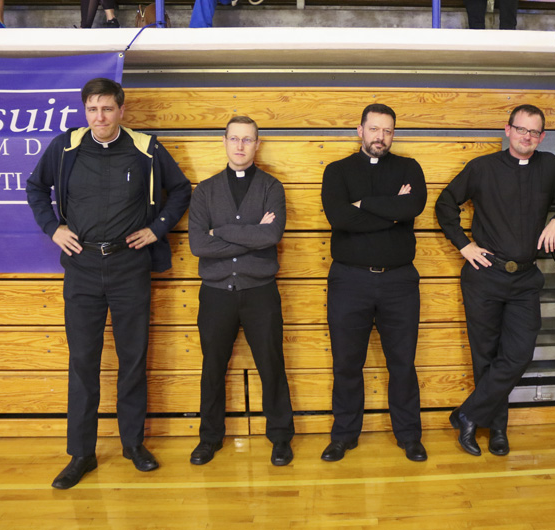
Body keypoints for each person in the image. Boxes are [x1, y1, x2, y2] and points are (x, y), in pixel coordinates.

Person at [26, 78, 191, 489]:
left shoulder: (145, 148)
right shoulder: (65, 147)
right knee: (83, 362)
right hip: (81, 267)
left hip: (129, 265)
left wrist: (157, 229)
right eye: (92, 109)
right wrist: (52, 228)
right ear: (85, 110)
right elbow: (35, 188)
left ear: (121, 110)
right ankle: (81, 454)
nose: (99, 117)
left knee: (133, 359)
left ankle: (133, 444)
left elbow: (180, 190)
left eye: (106, 109)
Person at [436, 104, 555, 456]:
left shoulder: (549, 167)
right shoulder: (482, 167)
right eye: (521, 129)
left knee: (518, 355)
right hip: (484, 276)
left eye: (534, 132)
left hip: (525, 279)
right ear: (508, 130)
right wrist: (464, 245)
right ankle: (497, 430)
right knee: (485, 356)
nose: (526, 137)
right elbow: (445, 204)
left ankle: (468, 414)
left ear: (542, 137)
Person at [320, 103, 428, 463]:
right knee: (346, 363)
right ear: (360, 131)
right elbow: (340, 218)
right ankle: (344, 435)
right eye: (374, 129)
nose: (380, 136)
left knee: (403, 363)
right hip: (349, 281)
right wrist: (391, 211)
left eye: (387, 130)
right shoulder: (337, 171)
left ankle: (409, 436)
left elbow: (412, 207)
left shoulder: (409, 168)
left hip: (399, 282)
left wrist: (363, 204)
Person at [187, 116, 295, 467]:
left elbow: (271, 235)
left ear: (257, 144)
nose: (240, 145)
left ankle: (280, 437)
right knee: (212, 368)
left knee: (271, 365)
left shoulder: (271, 187)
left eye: (247, 139)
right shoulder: (205, 190)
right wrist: (251, 233)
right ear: (224, 141)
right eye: (234, 138)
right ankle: (209, 438)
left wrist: (219, 232)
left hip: (260, 292)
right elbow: (198, 245)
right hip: (216, 293)